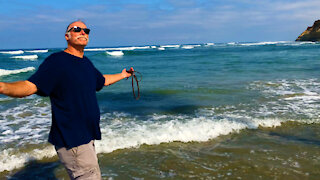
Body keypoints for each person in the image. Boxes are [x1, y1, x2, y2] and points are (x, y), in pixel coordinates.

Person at [0, 20, 133, 179]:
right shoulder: (57, 61)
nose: (83, 32)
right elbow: (30, 86)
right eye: (77, 29)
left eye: (86, 30)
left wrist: (123, 75)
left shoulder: (86, 63)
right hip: (73, 140)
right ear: (67, 36)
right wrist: (2, 87)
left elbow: (101, 80)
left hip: (86, 136)